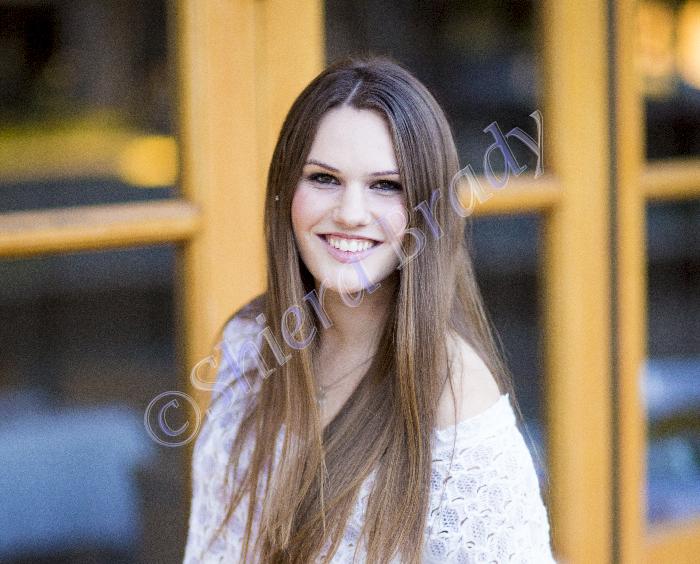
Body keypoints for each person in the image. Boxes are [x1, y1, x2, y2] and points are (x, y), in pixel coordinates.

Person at [183, 55, 556, 563]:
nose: (351, 214)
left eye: (386, 186)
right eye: (324, 179)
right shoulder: (251, 344)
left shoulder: (453, 392)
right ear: (285, 191)